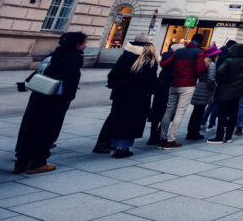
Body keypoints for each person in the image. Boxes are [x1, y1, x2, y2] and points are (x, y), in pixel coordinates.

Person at [14, 31, 86, 174]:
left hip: (38, 95)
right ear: (77, 44)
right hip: (54, 98)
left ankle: (21, 162)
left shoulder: (55, 54)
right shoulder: (74, 57)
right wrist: (68, 97)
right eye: (84, 42)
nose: (85, 45)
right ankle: (38, 163)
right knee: (48, 130)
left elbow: (38, 72)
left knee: (29, 128)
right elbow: (71, 80)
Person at [100, 35, 159, 158]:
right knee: (132, 120)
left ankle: (110, 143)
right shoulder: (149, 59)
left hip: (121, 93)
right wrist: (151, 89)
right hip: (139, 94)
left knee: (117, 117)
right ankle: (122, 148)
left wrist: (114, 86)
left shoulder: (126, 55)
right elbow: (150, 80)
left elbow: (114, 73)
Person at [157, 33, 206, 149]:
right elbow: (200, 70)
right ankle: (171, 140)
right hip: (188, 84)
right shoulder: (199, 53)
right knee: (180, 111)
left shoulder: (179, 51)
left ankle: (162, 138)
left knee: (169, 110)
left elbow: (164, 64)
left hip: (175, 83)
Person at [210, 43, 243, 144]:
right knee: (233, 114)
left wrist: (226, 79)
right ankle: (228, 136)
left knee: (222, 115)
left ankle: (219, 136)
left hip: (226, 89)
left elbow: (220, 70)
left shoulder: (228, 60)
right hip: (238, 89)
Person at [146, 41, 178, 146]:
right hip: (169, 87)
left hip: (160, 86)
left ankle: (152, 136)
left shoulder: (164, 55)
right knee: (167, 111)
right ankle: (160, 134)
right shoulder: (176, 58)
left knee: (156, 110)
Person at [186, 45, 220, 140]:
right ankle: (194, 133)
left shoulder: (203, 62)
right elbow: (211, 79)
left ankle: (191, 132)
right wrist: (215, 87)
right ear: (214, 55)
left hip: (199, 88)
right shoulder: (212, 64)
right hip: (205, 90)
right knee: (199, 112)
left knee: (195, 113)